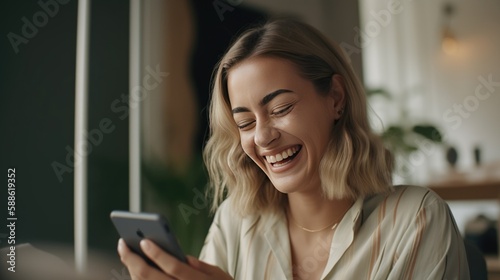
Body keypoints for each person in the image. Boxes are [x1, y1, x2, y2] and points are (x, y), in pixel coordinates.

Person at [118, 18, 470, 279]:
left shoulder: (416, 220)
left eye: (281, 109)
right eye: (245, 123)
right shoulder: (236, 222)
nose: (262, 137)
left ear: (335, 98)